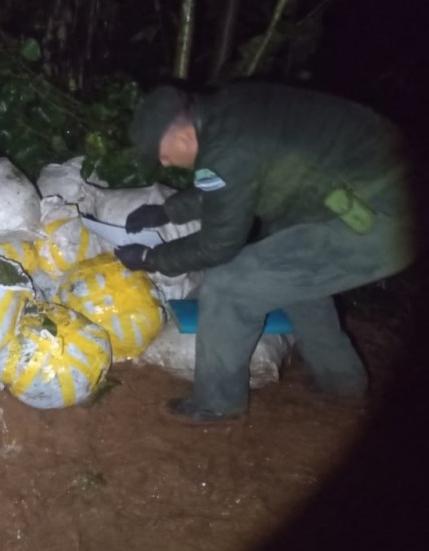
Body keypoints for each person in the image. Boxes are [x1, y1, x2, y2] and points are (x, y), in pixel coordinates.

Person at [115, 83, 419, 423]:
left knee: (231, 286)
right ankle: (342, 382)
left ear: (185, 137)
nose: (165, 163)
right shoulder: (229, 110)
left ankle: (217, 404)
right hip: (367, 198)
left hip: (381, 219)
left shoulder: (229, 146)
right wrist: (168, 212)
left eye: (164, 154)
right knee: (291, 282)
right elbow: (228, 184)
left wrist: (150, 260)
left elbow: (219, 243)